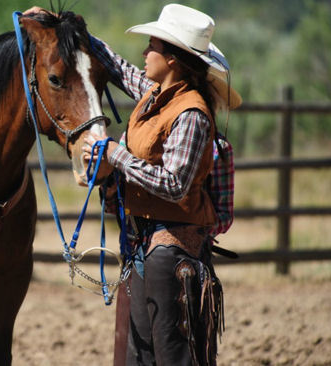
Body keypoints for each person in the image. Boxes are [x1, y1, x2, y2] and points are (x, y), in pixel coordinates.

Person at [76, 4, 242, 365]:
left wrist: (116, 156)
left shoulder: (191, 115)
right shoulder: (155, 96)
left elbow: (174, 184)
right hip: (146, 247)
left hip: (173, 251)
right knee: (143, 357)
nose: (144, 52)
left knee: (171, 355)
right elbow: (118, 67)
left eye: (152, 45)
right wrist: (74, 30)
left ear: (173, 59)